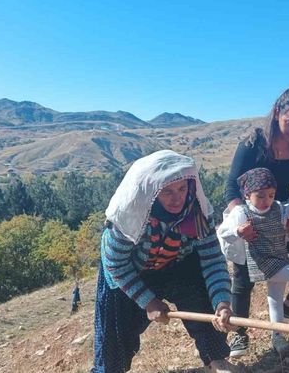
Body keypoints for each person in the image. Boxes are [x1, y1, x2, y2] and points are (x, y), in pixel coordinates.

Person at [92, 150, 241, 373]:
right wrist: (148, 302)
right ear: (152, 192)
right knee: (116, 331)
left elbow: (211, 260)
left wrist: (222, 303)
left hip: (177, 264)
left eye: (182, 189)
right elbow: (115, 264)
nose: (177, 198)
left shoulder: (197, 212)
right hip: (129, 273)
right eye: (167, 192)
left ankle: (216, 359)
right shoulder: (127, 217)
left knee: (203, 299)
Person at [224, 86, 289, 357]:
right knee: (243, 276)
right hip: (248, 215)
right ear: (276, 113)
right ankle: (239, 333)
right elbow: (231, 191)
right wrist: (241, 222)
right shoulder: (252, 144)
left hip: (282, 216)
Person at [218, 167, 289, 356]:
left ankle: (277, 336)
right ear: (247, 195)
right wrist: (238, 231)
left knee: (275, 299)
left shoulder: (276, 207)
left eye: (270, 195)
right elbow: (222, 232)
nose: (266, 201)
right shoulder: (242, 212)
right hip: (263, 261)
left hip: (278, 257)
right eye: (260, 196)